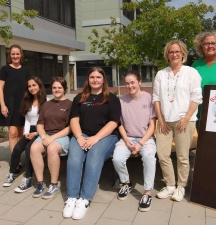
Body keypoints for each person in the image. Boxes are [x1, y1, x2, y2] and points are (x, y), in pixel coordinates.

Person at [62, 67, 121, 220]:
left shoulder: (111, 98)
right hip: (83, 134)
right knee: (74, 158)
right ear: (88, 79)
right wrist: (80, 137)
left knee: (94, 157)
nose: (95, 80)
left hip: (106, 136)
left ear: (103, 80)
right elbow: (74, 119)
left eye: (98, 77)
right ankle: (72, 197)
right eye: (92, 77)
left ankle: (85, 199)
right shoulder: (80, 97)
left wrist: (96, 138)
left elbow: (114, 122)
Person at [153, 40, 203, 202]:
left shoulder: (191, 73)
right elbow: (156, 99)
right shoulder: (161, 74)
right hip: (165, 121)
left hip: (184, 121)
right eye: (171, 52)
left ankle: (181, 186)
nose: (174, 54)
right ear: (167, 55)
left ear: (183, 54)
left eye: (177, 51)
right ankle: (170, 185)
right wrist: (161, 120)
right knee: (162, 154)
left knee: (182, 156)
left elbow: (196, 97)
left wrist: (187, 118)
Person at [112, 70, 157, 212]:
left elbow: (152, 126)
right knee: (117, 159)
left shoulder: (148, 98)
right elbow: (120, 124)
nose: (130, 85)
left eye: (132, 82)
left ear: (139, 82)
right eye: (127, 83)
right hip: (128, 137)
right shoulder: (122, 100)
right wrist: (125, 139)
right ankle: (126, 182)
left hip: (146, 137)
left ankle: (147, 192)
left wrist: (140, 143)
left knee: (149, 157)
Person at [30, 77, 72, 199]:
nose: (57, 90)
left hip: (62, 136)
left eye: (59, 87)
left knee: (52, 149)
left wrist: (52, 138)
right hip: (46, 135)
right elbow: (40, 124)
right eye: (54, 87)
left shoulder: (70, 104)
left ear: (64, 89)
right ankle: (40, 183)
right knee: (34, 148)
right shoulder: (46, 104)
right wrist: (43, 137)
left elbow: (70, 127)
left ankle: (54, 184)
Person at [3, 77, 47, 192]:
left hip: (41, 130)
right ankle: (11, 173)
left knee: (29, 149)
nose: (32, 88)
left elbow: (46, 122)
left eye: (34, 85)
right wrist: (26, 133)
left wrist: (35, 133)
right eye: (29, 86)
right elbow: (27, 119)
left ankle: (28, 178)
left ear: (39, 85)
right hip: (30, 129)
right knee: (17, 149)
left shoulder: (46, 101)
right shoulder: (27, 100)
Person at [0, 44, 30, 155]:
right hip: (9, 105)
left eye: (17, 54)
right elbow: (0, 88)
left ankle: (19, 157)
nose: (15, 56)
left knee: (21, 134)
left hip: (22, 105)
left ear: (21, 55)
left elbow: (30, 88)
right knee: (13, 133)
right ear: (9, 56)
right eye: (13, 54)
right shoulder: (5, 69)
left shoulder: (25, 71)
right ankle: (15, 160)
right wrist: (2, 105)